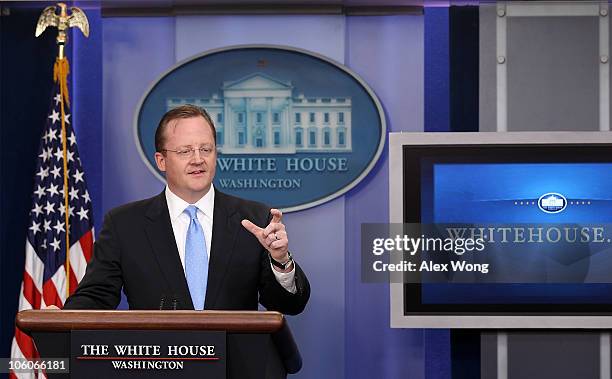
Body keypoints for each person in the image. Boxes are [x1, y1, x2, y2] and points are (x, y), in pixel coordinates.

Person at [63, 105, 310, 315]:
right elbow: (96, 297)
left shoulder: (254, 219)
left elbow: (289, 305)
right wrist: (60, 319)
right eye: (184, 151)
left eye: (206, 149)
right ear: (161, 160)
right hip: (158, 366)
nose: (197, 159)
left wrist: (281, 262)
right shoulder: (125, 224)